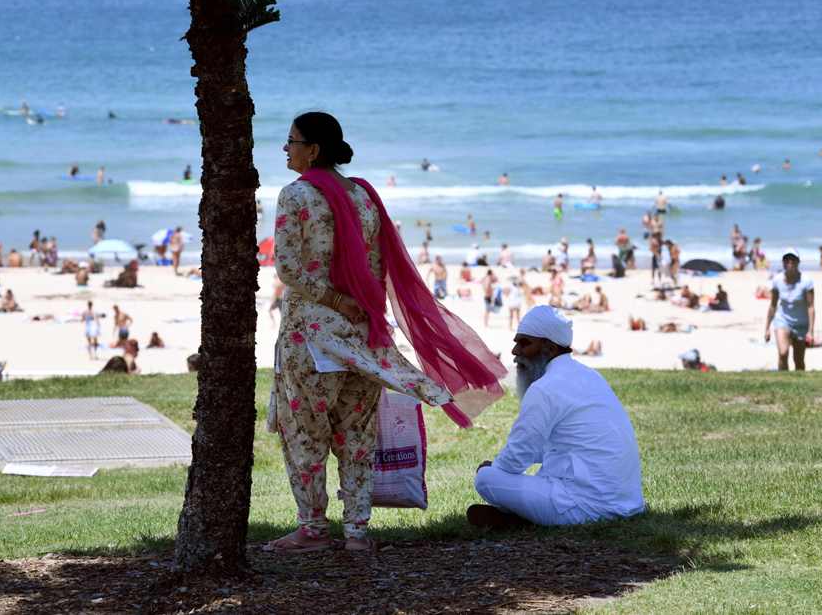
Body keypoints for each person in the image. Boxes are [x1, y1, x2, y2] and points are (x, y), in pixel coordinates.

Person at [266, 111, 505, 553]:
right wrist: (359, 312)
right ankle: (357, 533)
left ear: (313, 150)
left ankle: (313, 530)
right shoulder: (364, 196)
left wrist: (333, 300)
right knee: (357, 438)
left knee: (305, 434)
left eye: (291, 140)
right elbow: (379, 268)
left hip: (312, 336)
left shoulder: (295, 195)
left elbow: (288, 270)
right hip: (364, 338)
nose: (285, 147)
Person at [468, 306, 645, 528]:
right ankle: (523, 516)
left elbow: (519, 454)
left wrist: (491, 469)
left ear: (549, 348)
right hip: (628, 503)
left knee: (486, 480)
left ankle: (523, 517)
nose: (515, 351)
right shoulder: (590, 375)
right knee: (531, 476)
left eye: (524, 343)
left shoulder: (545, 388)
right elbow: (557, 446)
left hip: (589, 507)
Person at [765, 249, 815, 371]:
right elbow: (772, 305)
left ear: (798, 262)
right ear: (783, 262)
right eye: (786, 259)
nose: (790, 262)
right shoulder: (777, 280)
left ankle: (800, 384)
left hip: (801, 323)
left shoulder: (806, 281)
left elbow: (811, 307)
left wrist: (810, 331)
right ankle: (782, 381)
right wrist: (767, 328)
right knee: (783, 353)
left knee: (798, 360)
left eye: (793, 259)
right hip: (782, 320)